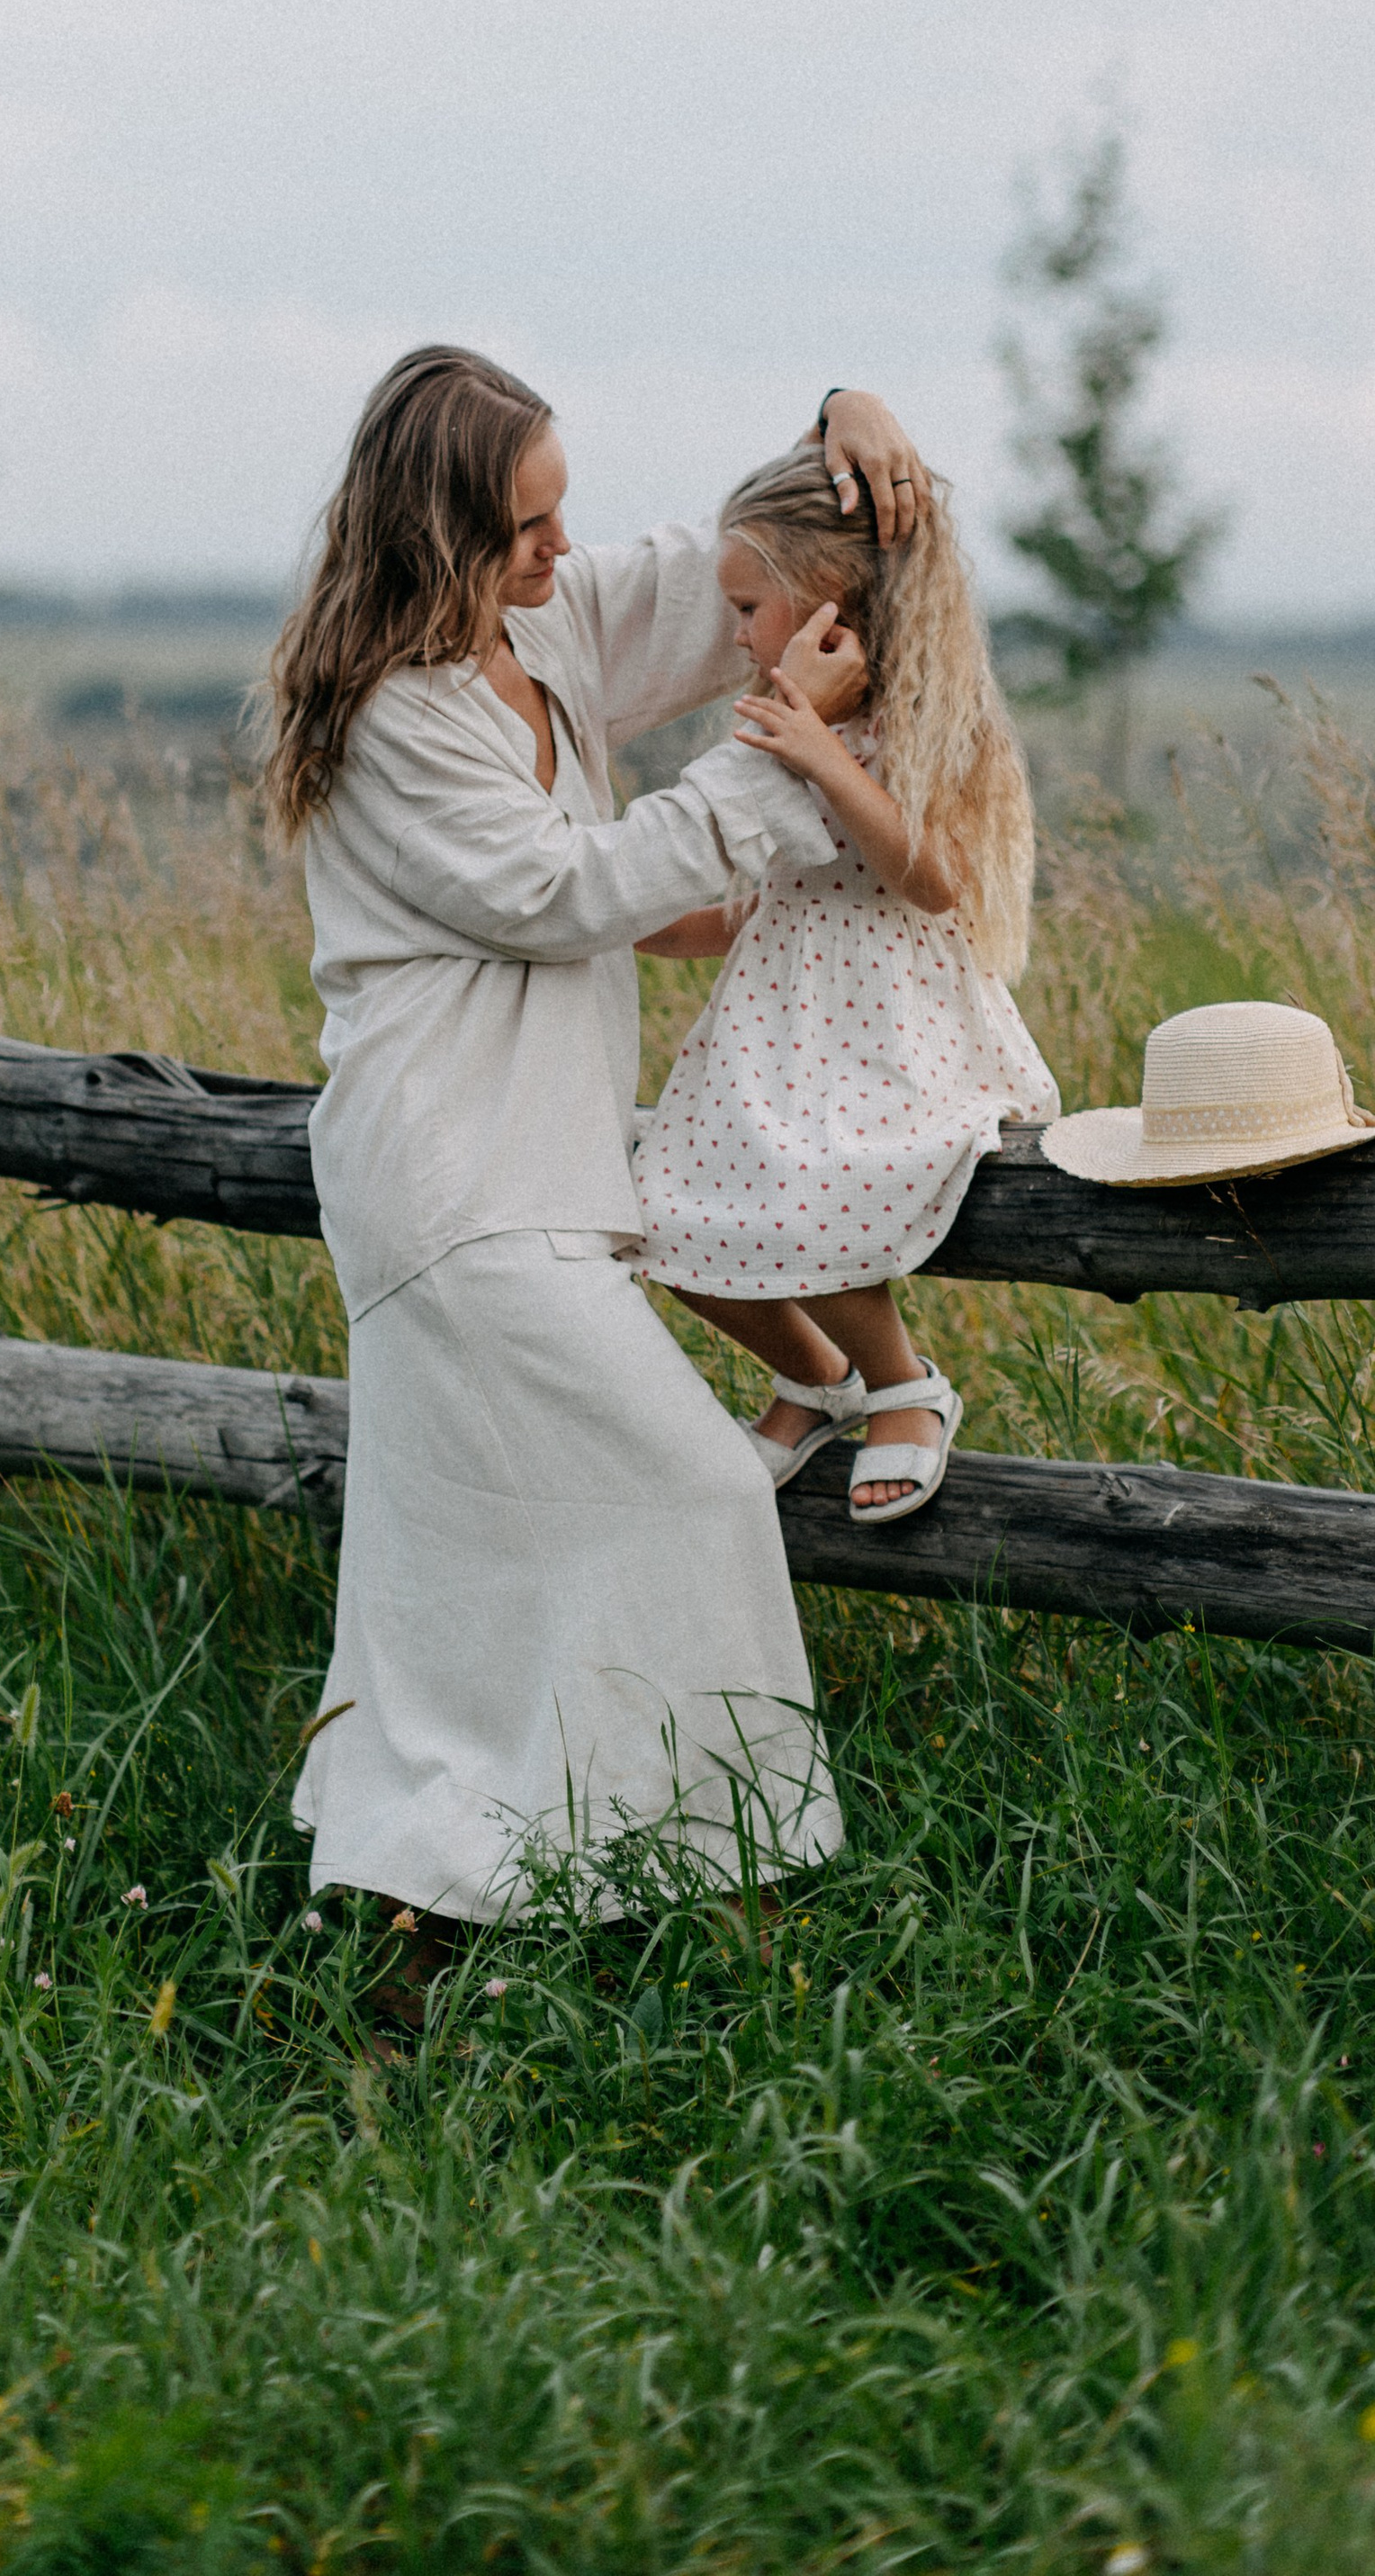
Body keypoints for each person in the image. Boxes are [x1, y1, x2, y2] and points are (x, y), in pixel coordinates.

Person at [267, 346, 925, 1948]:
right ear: (436, 539)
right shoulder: (390, 718)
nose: (562, 552)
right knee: (698, 1490)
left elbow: (742, 585)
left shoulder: (536, 619)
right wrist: (782, 754)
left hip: (542, 1173)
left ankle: (448, 1911)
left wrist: (842, 413)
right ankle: (735, 1892)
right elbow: (567, 893)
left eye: (561, 516)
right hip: (452, 1178)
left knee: (479, 1572)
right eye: (525, 528)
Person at [634, 441, 1057, 1523]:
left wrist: (821, 752)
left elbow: (931, 883)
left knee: (815, 1180)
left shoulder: (923, 724)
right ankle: (814, 1380)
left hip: (888, 1027)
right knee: (657, 1212)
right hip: (777, 1024)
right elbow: (747, 895)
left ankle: (904, 1386)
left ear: (826, 602)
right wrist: (614, 914)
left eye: (745, 607)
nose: (732, 634)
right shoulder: (780, 726)